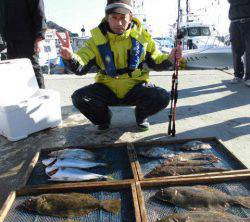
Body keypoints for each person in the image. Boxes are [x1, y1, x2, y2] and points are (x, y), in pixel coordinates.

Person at [57, 0, 182, 132]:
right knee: (79, 98)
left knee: (162, 96)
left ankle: (141, 116)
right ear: (107, 17)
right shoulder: (95, 40)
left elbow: (157, 60)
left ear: (131, 17)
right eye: (114, 18)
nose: (119, 23)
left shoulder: (143, 38)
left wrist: (170, 57)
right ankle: (103, 119)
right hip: (106, 88)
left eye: (123, 18)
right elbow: (81, 65)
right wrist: (70, 58)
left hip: (136, 87)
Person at [2, 0, 47, 88]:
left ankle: (41, 96)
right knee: (14, 70)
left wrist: (39, 38)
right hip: (9, 40)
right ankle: (20, 97)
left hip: (28, 39)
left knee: (32, 69)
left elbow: (39, 11)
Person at [228, 0, 250, 86]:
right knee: (236, 50)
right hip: (234, 23)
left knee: (249, 51)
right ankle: (238, 75)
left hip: (248, 21)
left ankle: (249, 77)